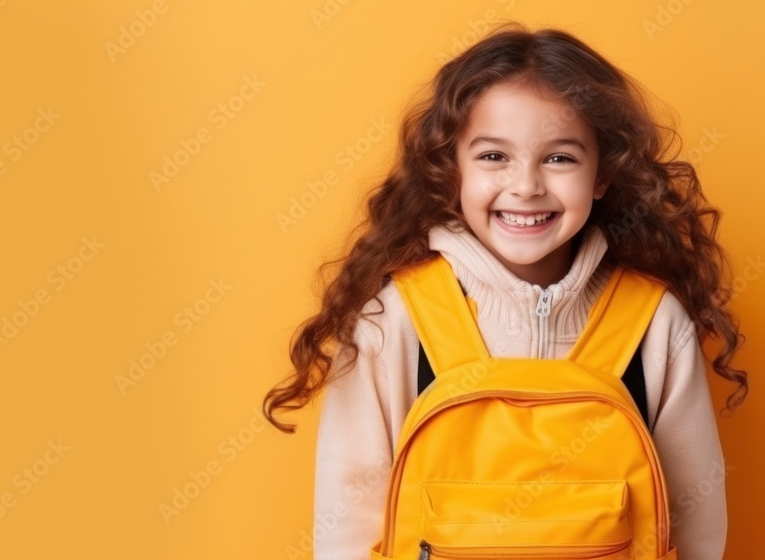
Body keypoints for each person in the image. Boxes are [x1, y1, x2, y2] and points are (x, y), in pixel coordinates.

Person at [262, 24, 748, 560]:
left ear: (603, 175)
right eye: (494, 157)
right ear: (452, 171)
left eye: (560, 158)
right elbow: (347, 519)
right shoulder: (394, 318)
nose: (526, 186)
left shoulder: (655, 323)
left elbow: (696, 519)